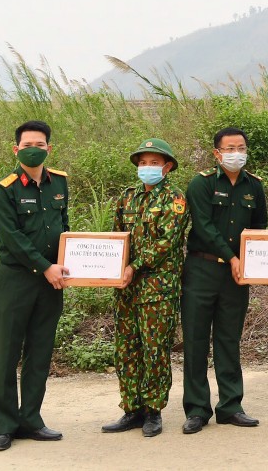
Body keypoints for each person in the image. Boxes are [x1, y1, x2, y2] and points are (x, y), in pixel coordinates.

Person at [0, 120, 69, 452]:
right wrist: (46, 266)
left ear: (49, 148)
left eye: (41, 143)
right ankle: (4, 425)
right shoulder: (3, 189)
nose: (34, 148)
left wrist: (65, 262)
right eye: (27, 144)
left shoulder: (59, 183)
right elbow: (13, 238)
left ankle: (31, 419)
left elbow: (64, 227)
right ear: (16, 149)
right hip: (16, 280)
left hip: (50, 283)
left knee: (40, 351)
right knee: (7, 352)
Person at [180, 127, 268, 433]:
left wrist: (252, 264)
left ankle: (231, 406)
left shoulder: (253, 186)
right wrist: (231, 258)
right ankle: (196, 409)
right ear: (217, 153)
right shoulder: (200, 184)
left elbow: (259, 228)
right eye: (229, 149)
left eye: (241, 148)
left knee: (229, 340)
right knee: (195, 340)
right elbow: (203, 227)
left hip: (236, 276)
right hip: (202, 270)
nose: (236, 153)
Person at [101, 139, 189, 437]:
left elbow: (166, 243)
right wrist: (110, 268)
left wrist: (132, 268)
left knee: (155, 350)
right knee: (126, 349)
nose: (146, 168)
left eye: (153, 163)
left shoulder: (175, 199)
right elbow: (116, 238)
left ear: (167, 167)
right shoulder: (127, 198)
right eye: (142, 163)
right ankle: (131, 408)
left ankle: (153, 410)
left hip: (157, 288)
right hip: (125, 288)